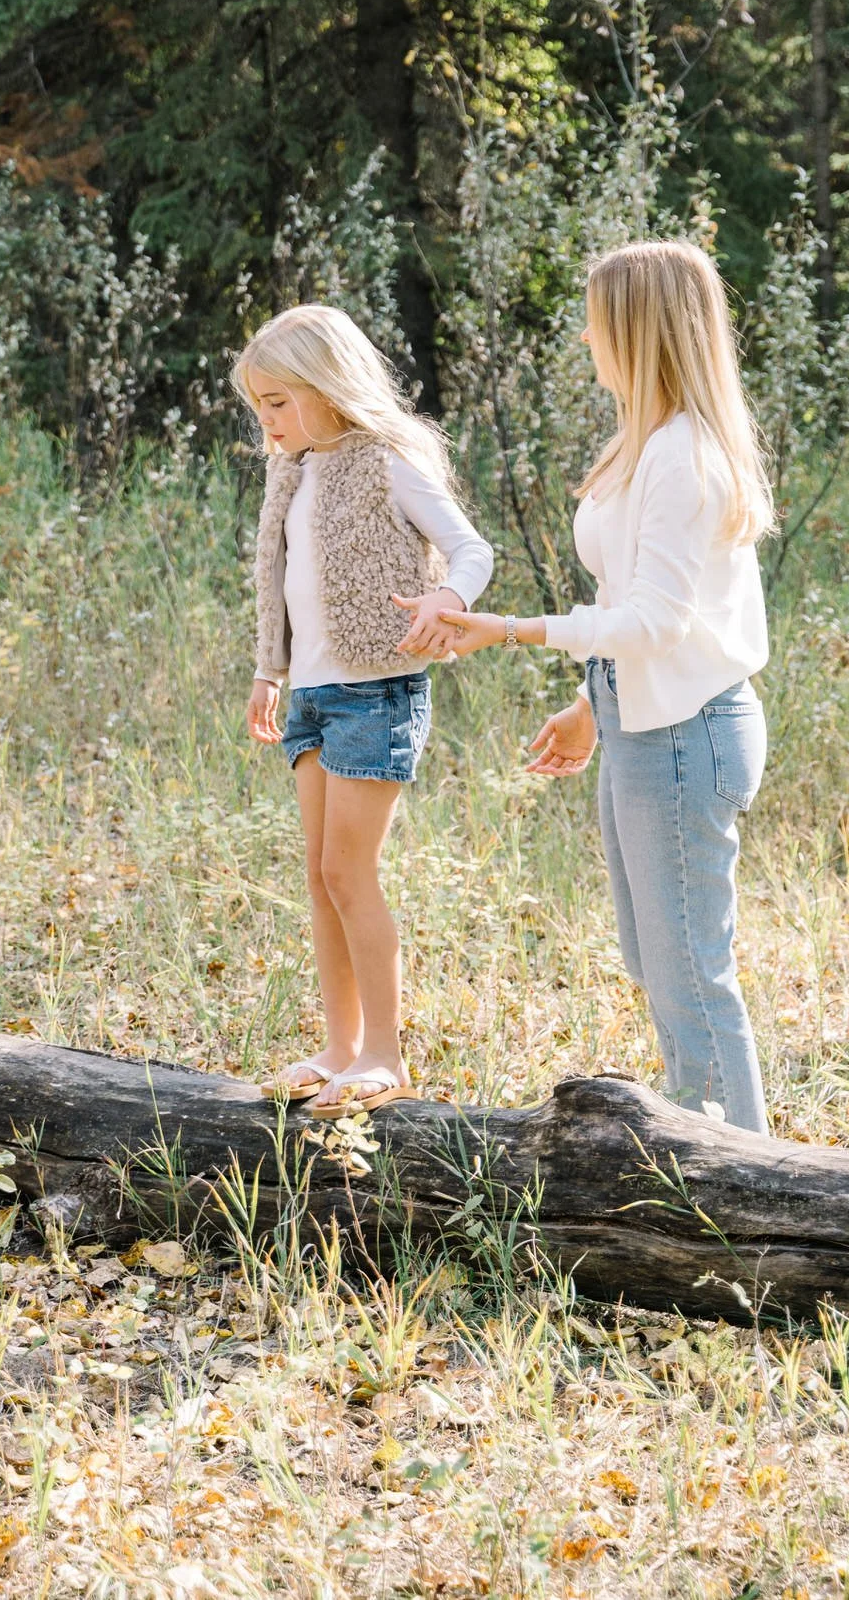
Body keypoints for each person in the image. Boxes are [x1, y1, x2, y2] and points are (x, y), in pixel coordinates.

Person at [432, 239, 773, 1134]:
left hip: (686, 734)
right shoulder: (648, 444)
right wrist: (594, 702)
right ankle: (706, 1163)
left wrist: (512, 628)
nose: (585, 337)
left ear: (638, 328)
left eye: (596, 320)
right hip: (640, 722)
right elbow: (634, 600)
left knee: (694, 976)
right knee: (655, 961)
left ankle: (739, 1182)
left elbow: (659, 623)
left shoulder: (682, 456)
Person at [237, 304, 494, 1117]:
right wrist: (269, 672)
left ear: (328, 385)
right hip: (312, 692)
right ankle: (339, 1047)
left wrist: (445, 600)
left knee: (351, 872)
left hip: (377, 688)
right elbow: (285, 584)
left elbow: (472, 549)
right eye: (260, 407)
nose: (268, 422)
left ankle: (384, 1052)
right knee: (320, 877)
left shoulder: (386, 460)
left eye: (279, 403)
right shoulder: (295, 472)